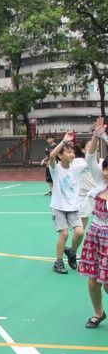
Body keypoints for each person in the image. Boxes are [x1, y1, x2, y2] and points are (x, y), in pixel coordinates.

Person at [78, 117, 108, 329]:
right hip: (95, 237)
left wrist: (105, 136)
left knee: (106, 284)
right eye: (104, 169)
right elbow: (89, 158)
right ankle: (99, 313)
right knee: (92, 281)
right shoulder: (100, 184)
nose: (105, 172)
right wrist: (96, 136)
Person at [47, 131, 87, 274]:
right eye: (68, 152)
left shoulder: (77, 168)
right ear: (61, 155)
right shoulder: (56, 169)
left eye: (73, 152)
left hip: (73, 207)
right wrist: (64, 141)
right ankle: (58, 263)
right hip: (58, 207)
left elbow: (91, 161)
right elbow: (51, 156)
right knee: (64, 234)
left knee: (80, 232)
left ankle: (71, 251)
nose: (72, 154)